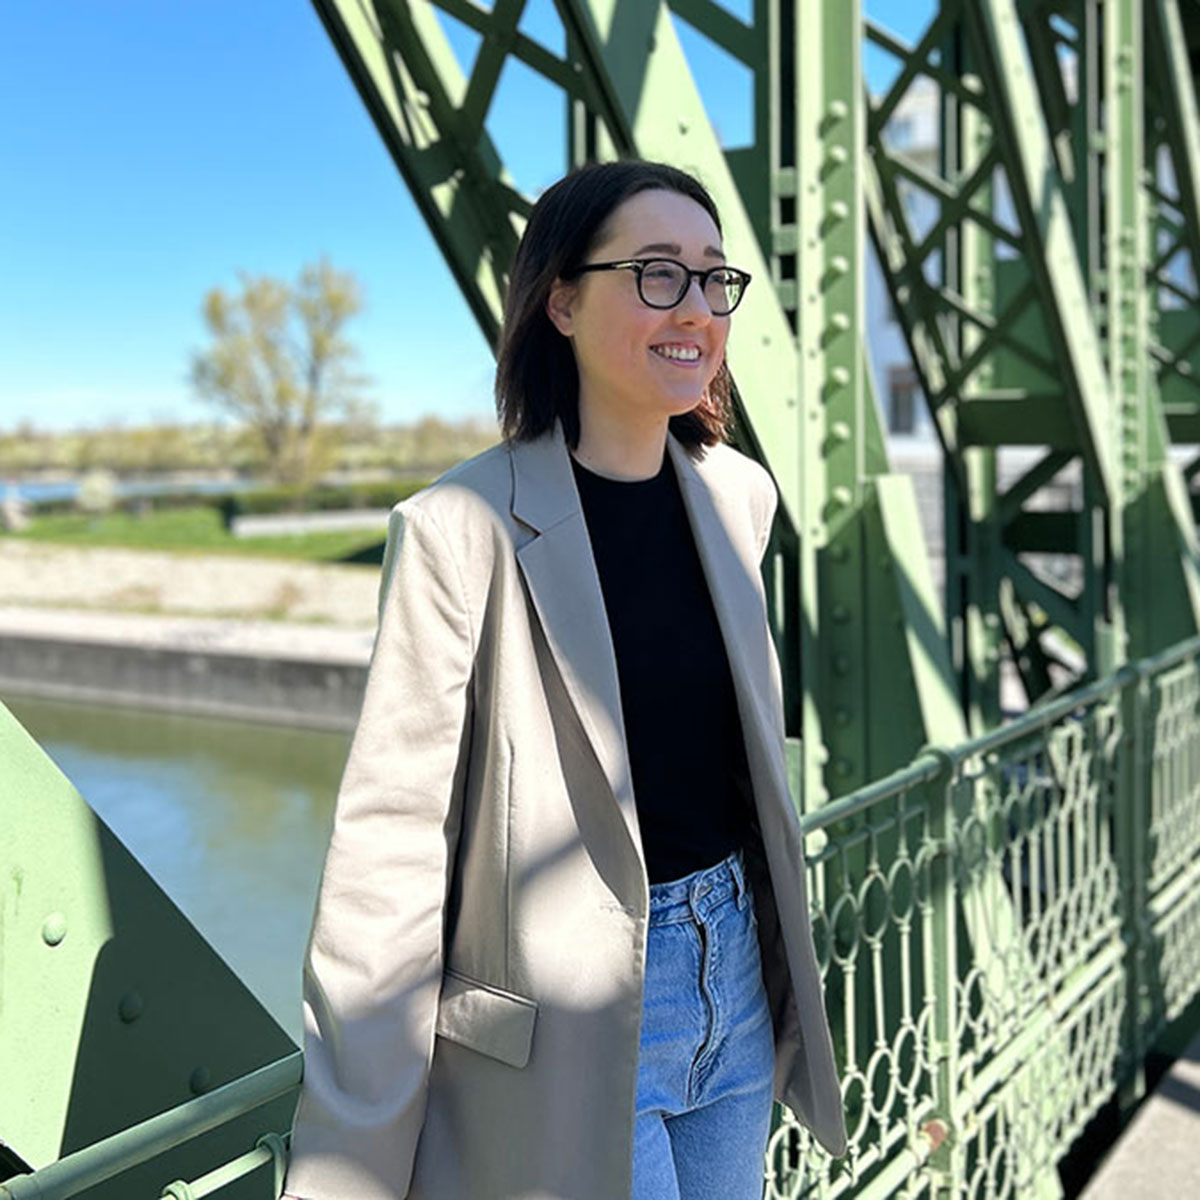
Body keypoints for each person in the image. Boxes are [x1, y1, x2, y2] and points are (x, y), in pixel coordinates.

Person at [281, 159, 846, 1200]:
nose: (695, 308)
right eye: (657, 274)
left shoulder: (739, 499)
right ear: (563, 301)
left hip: (733, 984)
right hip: (569, 1029)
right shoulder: (460, 530)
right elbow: (391, 851)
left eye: (714, 278)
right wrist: (347, 1169)